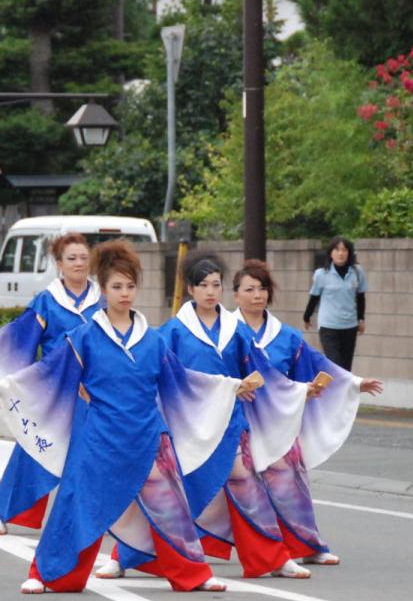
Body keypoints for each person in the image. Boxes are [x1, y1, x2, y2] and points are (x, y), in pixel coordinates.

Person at [0, 241, 263, 594]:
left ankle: (193, 574)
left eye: (130, 286)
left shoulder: (153, 340)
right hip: (99, 436)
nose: (125, 294)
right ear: (104, 290)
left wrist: (230, 388)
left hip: (149, 434)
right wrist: (1, 389)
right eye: (116, 287)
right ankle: (47, 572)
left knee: (171, 503)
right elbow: (47, 375)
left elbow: (185, 382)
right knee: (75, 499)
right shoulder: (85, 336)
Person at [150, 251, 314, 581]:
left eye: (216, 285)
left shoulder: (235, 331)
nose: (211, 292)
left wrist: (297, 390)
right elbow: (159, 374)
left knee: (248, 487)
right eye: (204, 285)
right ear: (190, 290)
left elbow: (259, 370)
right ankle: (128, 555)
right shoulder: (172, 332)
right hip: (188, 426)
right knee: (171, 492)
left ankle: (274, 558)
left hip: (229, 424)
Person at [232, 259, 383, 565]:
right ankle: (155, 550)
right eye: (249, 289)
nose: (257, 295)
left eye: (262, 288)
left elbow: (317, 365)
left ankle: (306, 545)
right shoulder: (226, 332)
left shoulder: (286, 335)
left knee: (290, 480)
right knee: (210, 483)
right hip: (238, 420)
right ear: (236, 295)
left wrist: (353, 383)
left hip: (280, 420)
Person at [0, 233, 101, 536]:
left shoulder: (102, 299)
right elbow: (19, 336)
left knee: (93, 456)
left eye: (83, 258)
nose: (78, 263)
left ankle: (97, 521)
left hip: (94, 389)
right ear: (59, 264)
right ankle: (3, 512)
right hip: (51, 388)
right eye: (71, 258)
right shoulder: (47, 301)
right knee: (34, 448)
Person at [303, 236, 367, 372]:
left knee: (346, 367)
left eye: (344, 250)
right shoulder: (321, 274)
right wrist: (306, 317)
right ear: (331, 253)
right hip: (328, 325)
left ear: (349, 253)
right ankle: (333, 392)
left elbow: (361, 297)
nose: (341, 253)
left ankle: (343, 393)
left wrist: (361, 319)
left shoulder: (357, 272)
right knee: (335, 364)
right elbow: (314, 297)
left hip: (350, 325)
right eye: (337, 250)